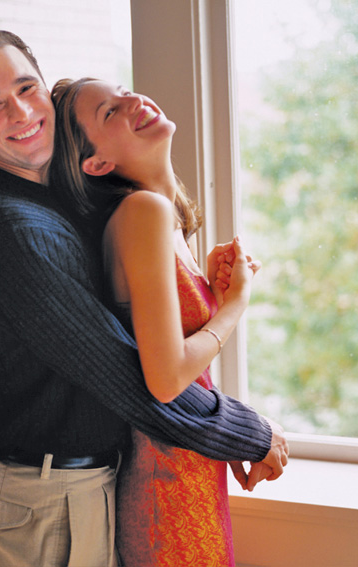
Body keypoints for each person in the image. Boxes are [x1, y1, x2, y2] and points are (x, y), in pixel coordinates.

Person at [0, 29, 288, 567]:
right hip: (47, 498)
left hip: (80, 484)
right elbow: (133, 377)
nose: (21, 111)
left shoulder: (47, 206)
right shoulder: (8, 227)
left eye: (27, 89)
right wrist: (249, 434)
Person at [47, 77, 278, 566]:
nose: (134, 100)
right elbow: (167, 378)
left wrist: (210, 296)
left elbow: (162, 351)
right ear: (97, 163)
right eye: (110, 112)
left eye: (125, 90)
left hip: (186, 467)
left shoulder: (161, 215)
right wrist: (236, 304)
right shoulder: (141, 213)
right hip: (165, 485)